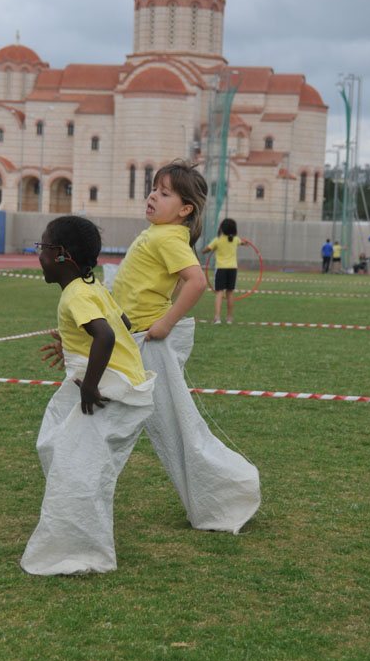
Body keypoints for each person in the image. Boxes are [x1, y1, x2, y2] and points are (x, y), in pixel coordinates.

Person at [110, 159, 260, 534]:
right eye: (153, 189)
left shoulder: (168, 238)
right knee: (150, 426)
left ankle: (226, 494)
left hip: (146, 345)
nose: (152, 196)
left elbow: (195, 283)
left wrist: (164, 322)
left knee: (180, 432)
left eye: (164, 193)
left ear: (185, 209)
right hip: (129, 342)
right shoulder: (158, 235)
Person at [21, 216, 155, 576]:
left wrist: (92, 385)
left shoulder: (77, 294)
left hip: (111, 390)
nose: (39, 256)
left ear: (61, 254)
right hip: (127, 386)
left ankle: (79, 549)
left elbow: (107, 337)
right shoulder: (92, 287)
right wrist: (74, 345)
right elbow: (122, 325)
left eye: (43, 248)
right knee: (61, 449)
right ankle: (77, 535)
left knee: (73, 466)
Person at [202, 217, 248, 324]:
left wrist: (205, 249)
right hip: (232, 269)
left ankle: (217, 317)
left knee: (219, 293)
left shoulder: (217, 240)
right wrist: (245, 242)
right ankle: (229, 318)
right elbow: (243, 242)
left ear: (222, 228)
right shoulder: (236, 239)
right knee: (230, 294)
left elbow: (206, 250)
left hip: (221, 268)